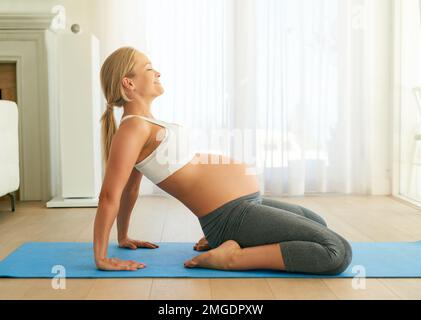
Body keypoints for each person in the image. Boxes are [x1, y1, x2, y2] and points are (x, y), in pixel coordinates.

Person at [94, 46, 352, 274]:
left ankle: (226, 242)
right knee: (336, 252)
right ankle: (233, 257)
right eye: (149, 68)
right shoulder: (132, 129)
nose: (157, 72)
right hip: (230, 215)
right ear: (129, 83)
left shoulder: (146, 124)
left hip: (245, 205)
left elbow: (132, 189)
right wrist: (102, 257)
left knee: (317, 224)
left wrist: (124, 235)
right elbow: (110, 195)